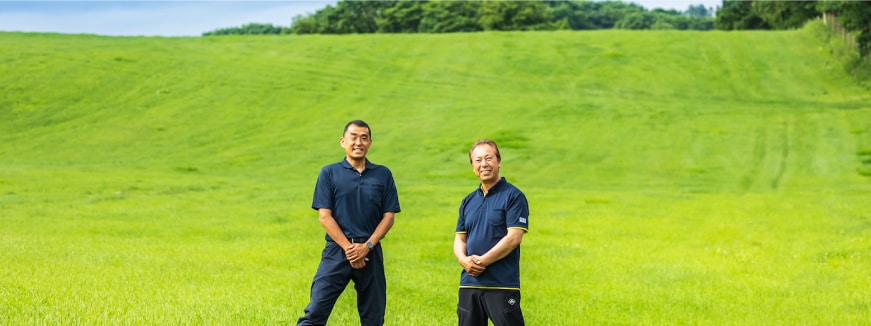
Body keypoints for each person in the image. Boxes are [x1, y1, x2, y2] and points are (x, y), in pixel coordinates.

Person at [297, 120, 401, 326]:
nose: (358, 142)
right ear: (343, 141)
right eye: (353, 137)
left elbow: (388, 217)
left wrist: (367, 246)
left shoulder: (383, 174)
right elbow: (324, 216)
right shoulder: (329, 173)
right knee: (315, 312)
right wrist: (350, 249)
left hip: (370, 252)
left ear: (370, 142)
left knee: (374, 318)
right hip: (337, 251)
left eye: (364, 137)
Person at [453, 139, 529, 326]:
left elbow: (514, 237)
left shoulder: (514, 196)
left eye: (489, 158)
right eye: (478, 160)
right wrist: (464, 261)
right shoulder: (467, 201)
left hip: (501, 285)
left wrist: (481, 261)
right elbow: (459, 238)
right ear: (473, 167)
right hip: (469, 284)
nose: (484, 164)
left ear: (498, 161)